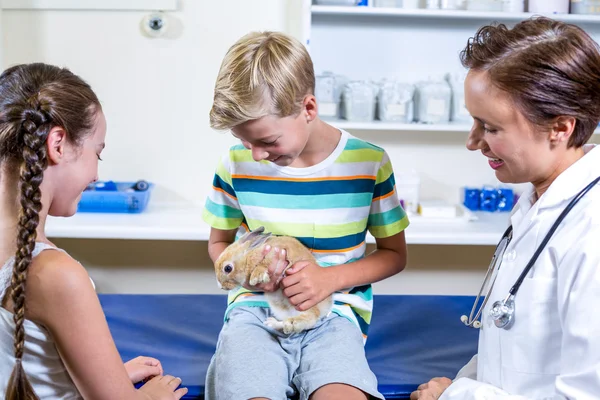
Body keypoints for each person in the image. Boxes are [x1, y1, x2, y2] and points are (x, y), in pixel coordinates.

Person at [202, 31, 409, 399]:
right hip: (254, 313)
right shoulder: (234, 164)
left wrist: (329, 280)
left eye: (267, 141)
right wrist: (251, 280)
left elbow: (394, 255)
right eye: (245, 142)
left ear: (308, 109)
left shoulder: (368, 163)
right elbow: (219, 244)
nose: (256, 155)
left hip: (334, 315)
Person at [411, 17, 600, 400]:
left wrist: (456, 396)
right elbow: (517, 343)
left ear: (560, 127)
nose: (472, 142)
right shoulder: (538, 203)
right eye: (473, 121)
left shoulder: (591, 231)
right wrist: (461, 384)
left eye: (490, 128)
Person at [0, 63, 187, 400]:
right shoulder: (55, 274)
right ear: (57, 144)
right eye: (97, 153)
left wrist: (108, 375)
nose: (97, 175)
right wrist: (152, 396)